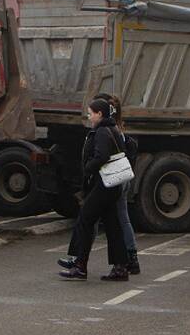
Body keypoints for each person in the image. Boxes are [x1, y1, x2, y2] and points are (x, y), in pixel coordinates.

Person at [58, 94, 141, 275]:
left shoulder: (103, 131)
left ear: (100, 113)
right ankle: (120, 267)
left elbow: (101, 156)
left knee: (86, 218)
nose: (89, 117)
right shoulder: (113, 130)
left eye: (91, 113)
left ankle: (80, 265)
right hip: (111, 186)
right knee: (113, 225)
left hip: (104, 185)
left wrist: (88, 167)